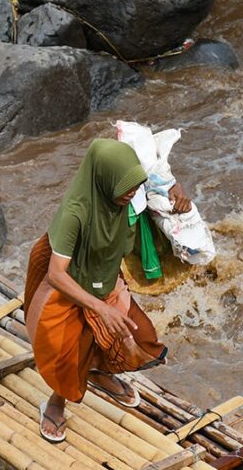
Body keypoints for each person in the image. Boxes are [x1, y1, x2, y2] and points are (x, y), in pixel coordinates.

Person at [25, 138, 192, 443]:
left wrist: (175, 190)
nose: (132, 192)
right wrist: (100, 308)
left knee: (140, 338)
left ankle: (99, 373)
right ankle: (54, 403)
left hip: (105, 278)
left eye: (134, 184)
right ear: (104, 181)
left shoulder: (128, 197)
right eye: (124, 185)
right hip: (69, 286)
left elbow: (149, 155)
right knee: (66, 358)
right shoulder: (74, 213)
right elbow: (56, 274)